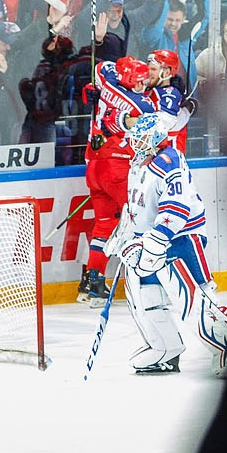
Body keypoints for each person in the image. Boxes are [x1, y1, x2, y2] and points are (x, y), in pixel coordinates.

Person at [113, 111, 227, 373]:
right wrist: (126, 235)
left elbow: (177, 207)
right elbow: (136, 206)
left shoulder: (169, 160)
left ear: (155, 138)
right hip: (147, 243)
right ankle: (165, 349)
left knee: (196, 299)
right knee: (143, 296)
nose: (135, 142)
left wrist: (156, 241)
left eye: (141, 138)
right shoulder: (138, 164)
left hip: (180, 239)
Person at [78, 53, 155, 304]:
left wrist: (92, 90)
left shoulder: (106, 80)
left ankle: (92, 282)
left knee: (104, 225)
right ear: (131, 79)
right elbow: (146, 122)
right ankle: (146, 281)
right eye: (140, 80)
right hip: (117, 168)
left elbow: (101, 68)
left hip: (94, 166)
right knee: (141, 219)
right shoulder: (141, 104)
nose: (144, 85)